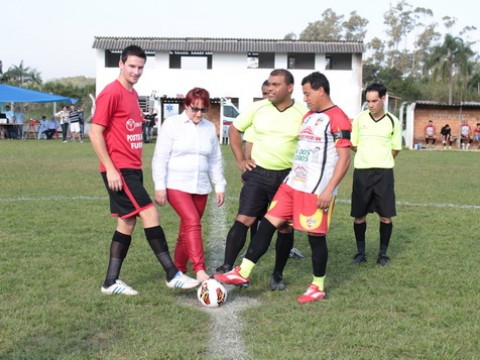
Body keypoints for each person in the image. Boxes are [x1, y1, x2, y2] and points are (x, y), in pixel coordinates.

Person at [215, 71, 352, 303]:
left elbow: (345, 158)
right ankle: (243, 271)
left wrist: (329, 190)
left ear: (321, 90)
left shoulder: (338, 117)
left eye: (308, 93)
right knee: (267, 223)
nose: (305, 98)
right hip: (291, 185)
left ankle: (317, 285)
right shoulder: (309, 116)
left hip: (315, 188)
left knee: (315, 237)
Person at [89, 45, 199, 296]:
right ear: (121, 63)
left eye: (140, 67)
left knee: (126, 222)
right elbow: (95, 132)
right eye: (132, 66)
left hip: (132, 168)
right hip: (120, 169)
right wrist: (111, 168)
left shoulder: (132, 93)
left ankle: (110, 282)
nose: (136, 71)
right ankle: (172, 275)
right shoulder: (111, 93)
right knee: (150, 214)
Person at [215, 69, 309, 292]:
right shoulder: (258, 108)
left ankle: (277, 275)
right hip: (258, 173)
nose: (271, 88)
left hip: (288, 177)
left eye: (276, 84)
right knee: (244, 219)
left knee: (284, 227)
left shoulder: (303, 113)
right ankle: (229, 266)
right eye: (270, 84)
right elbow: (234, 129)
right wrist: (241, 161)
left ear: (289, 87)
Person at [152, 87, 226, 283]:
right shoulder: (172, 124)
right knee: (193, 222)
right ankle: (199, 269)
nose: (199, 114)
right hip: (176, 184)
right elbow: (160, 157)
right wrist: (160, 185)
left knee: (186, 230)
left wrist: (219, 185)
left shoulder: (209, 128)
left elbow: (215, 159)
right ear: (186, 105)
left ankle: (177, 272)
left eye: (203, 110)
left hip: (201, 186)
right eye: (195, 109)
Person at [350, 83, 402, 266]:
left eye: (374, 101)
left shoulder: (393, 121)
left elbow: (395, 149)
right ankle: (360, 253)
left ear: (383, 99)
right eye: (368, 101)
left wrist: (381, 159)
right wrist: (367, 157)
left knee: (385, 216)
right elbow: (353, 144)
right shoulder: (358, 120)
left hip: (384, 174)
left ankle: (382, 255)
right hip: (362, 173)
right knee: (359, 215)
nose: (370, 105)